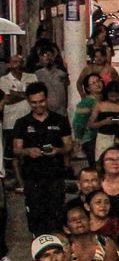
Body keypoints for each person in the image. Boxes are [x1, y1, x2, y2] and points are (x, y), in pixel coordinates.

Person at [12, 83, 72, 237]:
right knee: (36, 216)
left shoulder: (60, 120)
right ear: (28, 101)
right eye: (34, 102)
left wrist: (57, 150)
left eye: (41, 101)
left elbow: (69, 146)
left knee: (57, 215)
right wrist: (28, 151)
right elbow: (16, 149)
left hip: (55, 176)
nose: (38, 105)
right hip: (33, 177)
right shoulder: (22, 123)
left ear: (47, 99)